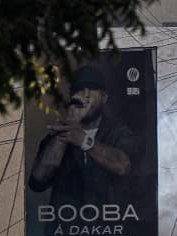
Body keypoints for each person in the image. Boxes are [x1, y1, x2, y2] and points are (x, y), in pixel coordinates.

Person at [27, 65, 143, 209]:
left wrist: (84, 140)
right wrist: (68, 126)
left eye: (92, 88)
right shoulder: (57, 136)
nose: (86, 94)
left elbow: (123, 166)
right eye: (79, 89)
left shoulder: (120, 133)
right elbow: (38, 181)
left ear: (104, 97)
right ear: (72, 97)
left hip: (109, 227)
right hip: (64, 228)